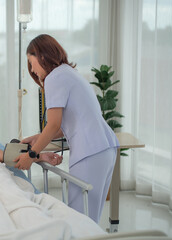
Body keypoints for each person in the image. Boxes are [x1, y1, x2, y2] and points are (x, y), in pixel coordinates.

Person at [14, 34, 119, 223]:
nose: (32, 70)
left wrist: (31, 156)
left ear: (42, 56)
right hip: (106, 149)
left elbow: (53, 124)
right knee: (90, 218)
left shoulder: (54, 78)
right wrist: (37, 138)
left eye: (31, 63)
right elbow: (65, 125)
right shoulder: (68, 73)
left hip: (90, 152)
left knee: (79, 221)